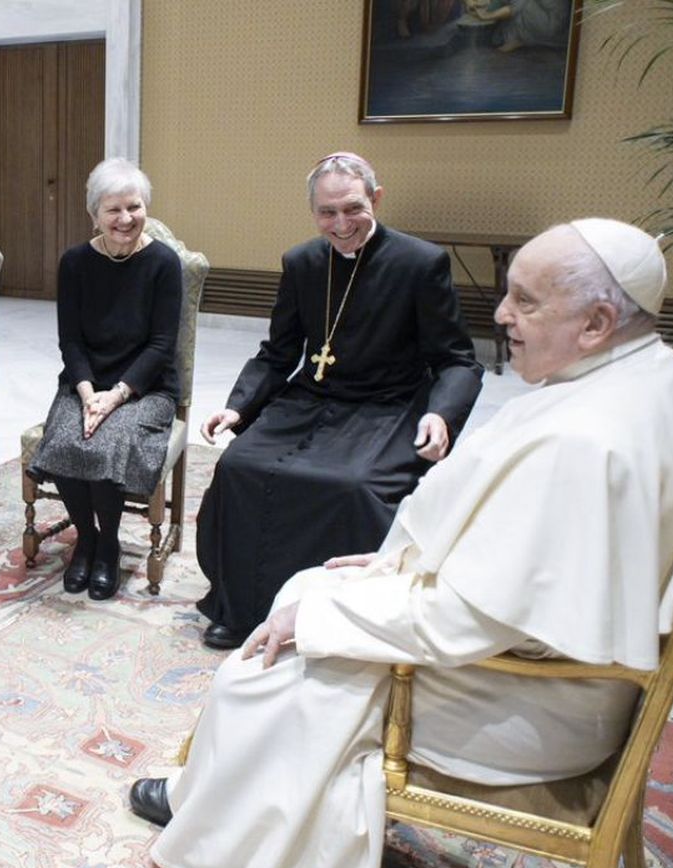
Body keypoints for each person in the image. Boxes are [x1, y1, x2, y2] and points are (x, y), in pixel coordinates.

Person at [128, 219, 673, 868]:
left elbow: (474, 620)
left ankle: (211, 821)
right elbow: (533, 560)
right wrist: (396, 559)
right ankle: (213, 795)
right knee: (314, 586)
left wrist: (320, 617)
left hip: (529, 703)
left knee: (279, 654)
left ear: (597, 323)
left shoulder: (590, 438)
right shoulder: (652, 377)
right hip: (564, 665)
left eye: (525, 301)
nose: (501, 315)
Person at [194, 152, 483, 650]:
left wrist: (441, 414)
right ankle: (238, 607)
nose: (341, 224)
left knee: (353, 486)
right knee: (239, 465)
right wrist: (239, 406)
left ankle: (344, 617)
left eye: (352, 208)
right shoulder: (302, 262)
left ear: (376, 197)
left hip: (388, 404)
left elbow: (458, 358)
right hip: (312, 397)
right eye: (327, 213)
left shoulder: (421, 263)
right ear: (313, 213)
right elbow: (279, 351)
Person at [27, 158, 182, 600]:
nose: (126, 219)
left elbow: (161, 345)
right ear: (94, 214)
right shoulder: (75, 262)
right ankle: (86, 539)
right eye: (113, 210)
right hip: (85, 383)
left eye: (134, 207)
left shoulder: (163, 263)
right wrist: (88, 393)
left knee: (107, 442)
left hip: (145, 387)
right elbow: (70, 341)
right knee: (66, 440)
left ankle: (109, 543)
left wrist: (115, 397)